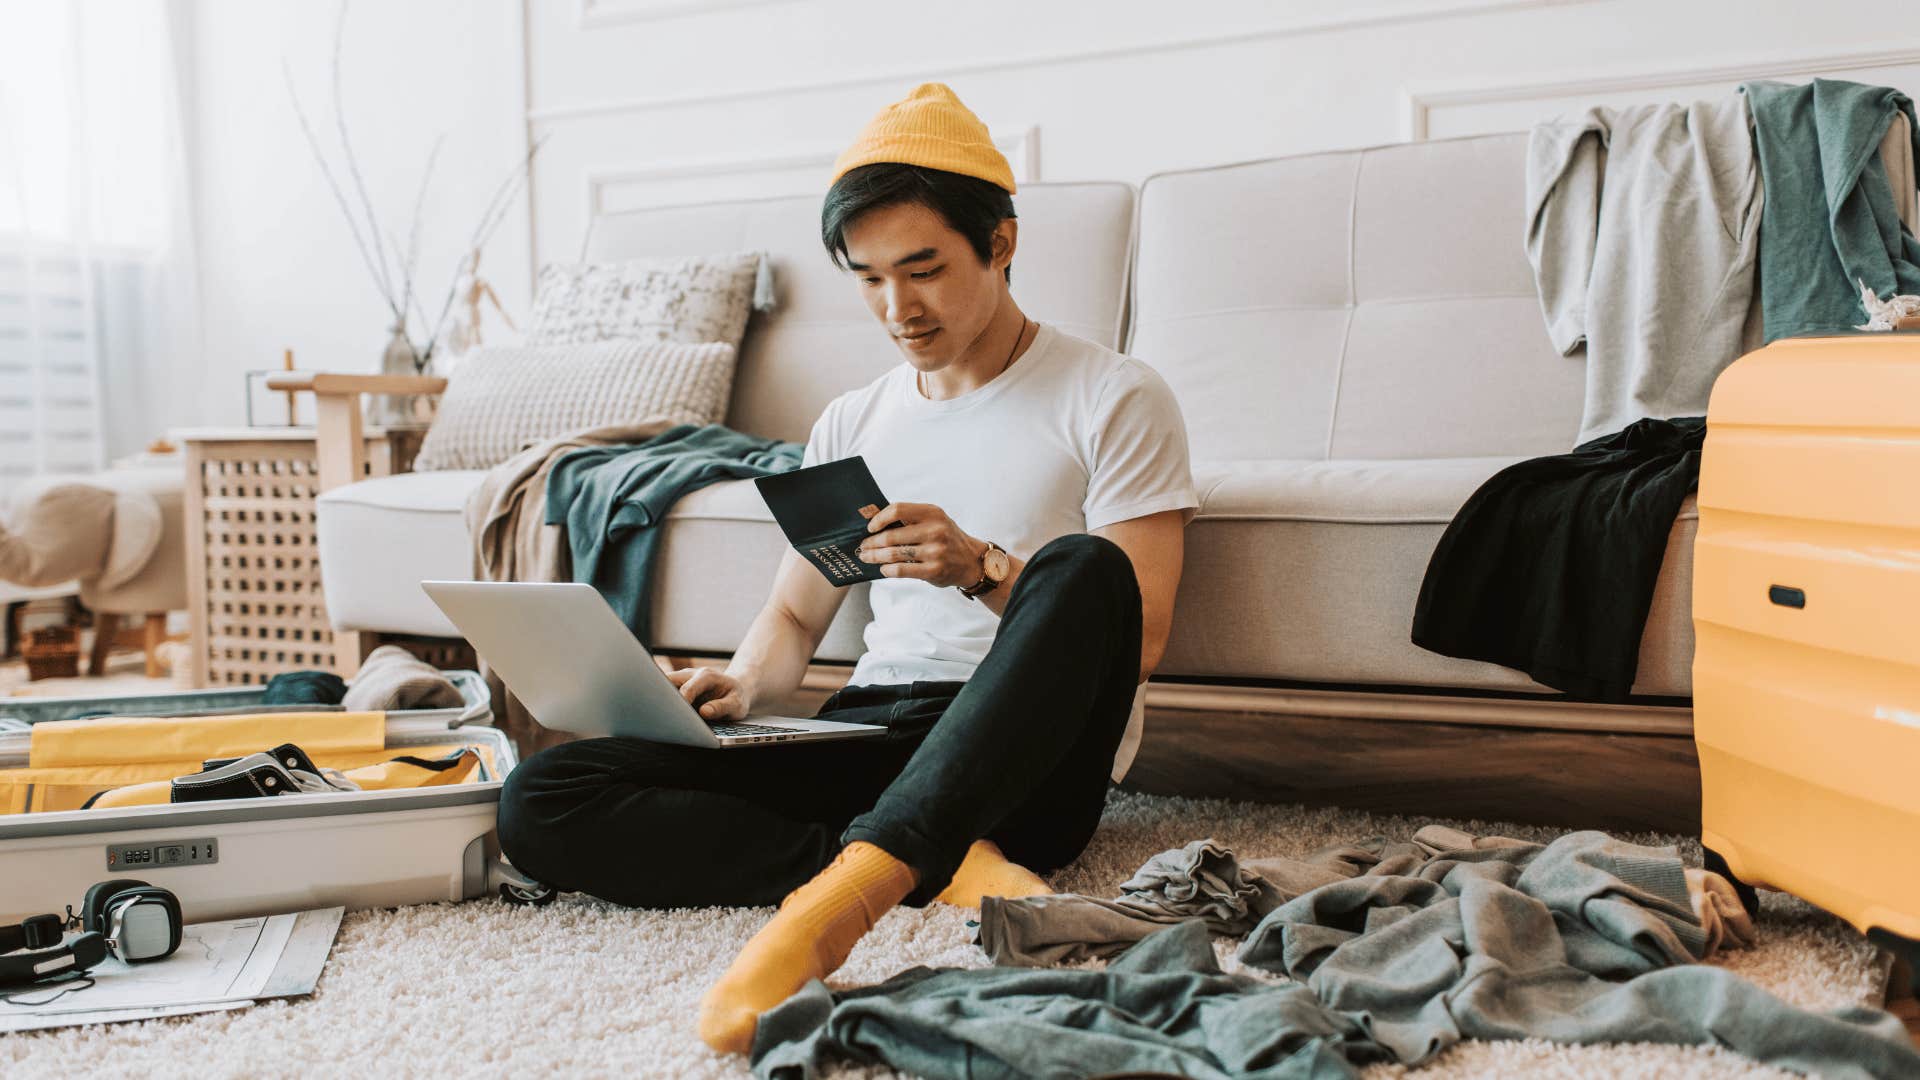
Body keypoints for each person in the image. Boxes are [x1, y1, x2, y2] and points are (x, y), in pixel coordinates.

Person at [494, 81, 1198, 1056]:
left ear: (1001, 243)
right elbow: (792, 622)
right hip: (872, 734)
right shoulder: (852, 422)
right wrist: (738, 687)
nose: (897, 307)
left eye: (924, 269)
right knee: (542, 799)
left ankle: (834, 906)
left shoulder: (1112, 396)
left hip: (1022, 751)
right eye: (867, 278)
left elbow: (1139, 628)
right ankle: (922, 862)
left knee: (1080, 567)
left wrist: (983, 568)